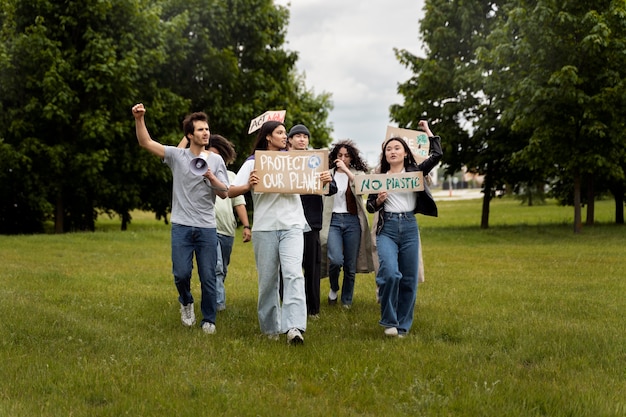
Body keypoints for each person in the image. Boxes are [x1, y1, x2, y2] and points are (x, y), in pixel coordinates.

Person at [132, 103, 229, 334]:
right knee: (181, 273)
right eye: (200, 130)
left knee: (208, 276)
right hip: (182, 226)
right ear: (189, 135)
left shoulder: (215, 161)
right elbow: (146, 143)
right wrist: (139, 119)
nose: (206, 133)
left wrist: (211, 177)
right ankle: (186, 301)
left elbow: (224, 192)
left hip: (206, 227)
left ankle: (209, 320)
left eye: (207, 129)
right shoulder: (177, 156)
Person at [228, 120, 308, 344]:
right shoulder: (253, 162)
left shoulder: (295, 160)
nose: (285, 136)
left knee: (293, 274)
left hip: (292, 225)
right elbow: (229, 191)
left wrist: (321, 179)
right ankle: (270, 329)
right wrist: (248, 186)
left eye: (285, 133)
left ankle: (294, 327)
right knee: (268, 280)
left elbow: (314, 181)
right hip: (265, 227)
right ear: (268, 137)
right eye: (280, 133)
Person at [366, 120, 442, 338]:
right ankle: (389, 319)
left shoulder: (415, 171)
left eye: (397, 148)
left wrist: (427, 131)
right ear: (384, 154)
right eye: (388, 149)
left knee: (408, 279)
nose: (392, 151)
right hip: (386, 228)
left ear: (406, 153)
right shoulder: (379, 177)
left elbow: (437, 155)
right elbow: (370, 206)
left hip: (408, 227)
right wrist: (378, 201)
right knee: (389, 273)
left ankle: (403, 326)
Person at [178, 133, 252, 312]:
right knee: (216, 267)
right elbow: (178, 156)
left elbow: (239, 202)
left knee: (221, 269)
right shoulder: (195, 173)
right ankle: (217, 305)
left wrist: (247, 226)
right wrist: (188, 135)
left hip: (227, 230)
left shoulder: (231, 176)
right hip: (207, 227)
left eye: (216, 156)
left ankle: (213, 295)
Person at [320, 140, 374, 309]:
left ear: (352, 158)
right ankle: (334, 287)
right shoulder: (328, 173)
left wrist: (346, 171)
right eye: (340, 155)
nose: (343, 158)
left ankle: (347, 301)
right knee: (335, 260)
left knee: (350, 265)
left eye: (347, 156)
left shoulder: (357, 173)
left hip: (352, 221)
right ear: (335, 156)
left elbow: (364, 188)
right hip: (333, 221)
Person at [287, 124, 332, 318]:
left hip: (311, 221)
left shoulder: (318, 161)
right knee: (289, 267)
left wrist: (327, 179)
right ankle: (288, 303)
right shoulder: (281, 161)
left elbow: (333, 188)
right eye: (297, 136)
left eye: (305, 136)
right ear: (289, 140)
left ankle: (312, 308)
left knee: (312, 267)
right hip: (287, 221)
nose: (302, 139)